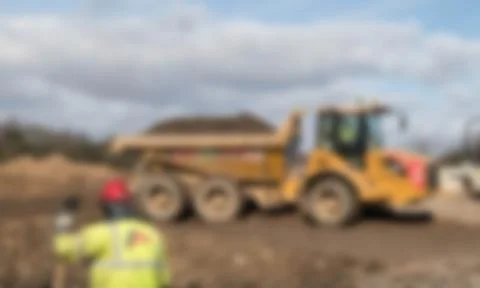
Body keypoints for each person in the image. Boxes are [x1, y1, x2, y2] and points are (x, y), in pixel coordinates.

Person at [53, 178, 171, 288]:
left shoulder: (101, 233)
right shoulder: (152, 233)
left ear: (106, 207)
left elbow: (62, 247)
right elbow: (164, 280)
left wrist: (64, 217)